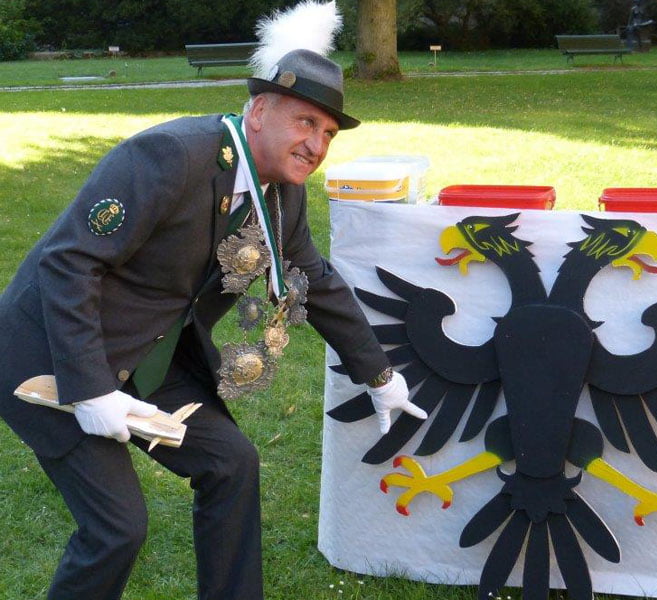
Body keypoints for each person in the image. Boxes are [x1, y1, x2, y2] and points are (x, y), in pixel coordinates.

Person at [0, 48, 426, 600]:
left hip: (145, 354)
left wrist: (380, 376)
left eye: (328, 133)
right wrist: (91, 390)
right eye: (305, 122)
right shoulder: (171, 156)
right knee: (116, 528)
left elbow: (313, 283)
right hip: (52, 355)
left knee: (231, 464)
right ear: (258, 112)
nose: (317, 145)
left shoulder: (283, 194)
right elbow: (68, 263)